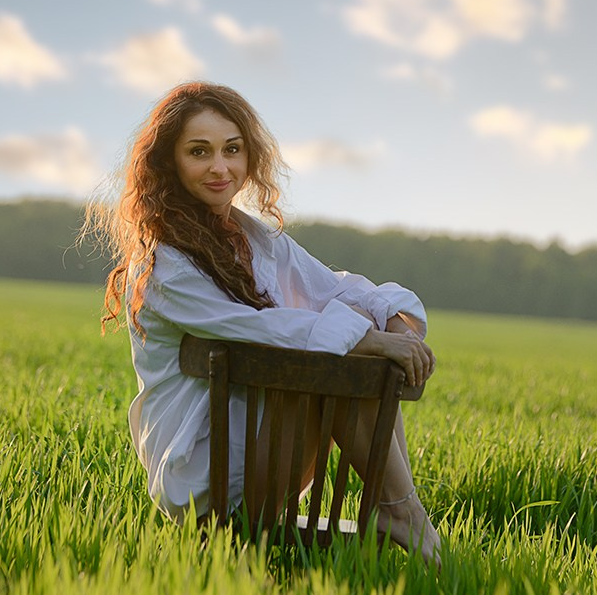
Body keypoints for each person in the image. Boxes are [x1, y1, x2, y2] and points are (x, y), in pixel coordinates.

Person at [89, 81, 441, 564]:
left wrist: (396, 324)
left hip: (263, 443)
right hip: (207, 471)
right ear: (169, 163)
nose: (220, 167)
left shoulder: (251, 236)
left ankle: (395, 505)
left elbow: (335, 287)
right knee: (337, 349)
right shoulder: (162, 265)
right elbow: (262, 330)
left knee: (353, 325)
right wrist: (371, 341)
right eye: (199, 152)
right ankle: (399, 509)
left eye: (232, 150)